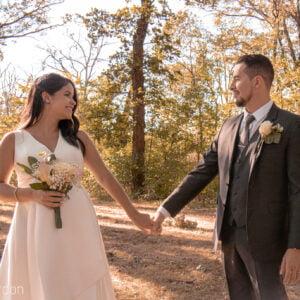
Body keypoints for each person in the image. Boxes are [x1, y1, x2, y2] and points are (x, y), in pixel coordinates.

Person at [152, 54, 300, 299]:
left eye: (236, 79)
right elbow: (201, 172)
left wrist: (295, 246)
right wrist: (166, 209)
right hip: (229, 235)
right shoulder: (228, 127)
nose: (231, 86)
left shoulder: (292, 126)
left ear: (257, 82)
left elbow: (298, 191)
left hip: (268, 239)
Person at [0, 73, 152, 300]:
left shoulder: (78, 138)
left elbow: (105, 178)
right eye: (67, 95)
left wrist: (135, 215)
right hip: (33, 224)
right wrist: (30, 194)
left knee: (80, 279)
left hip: (77, 221)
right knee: (43, 280)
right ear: (46, 97)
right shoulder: (14, 140)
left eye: (74, 97)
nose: (73, 102)